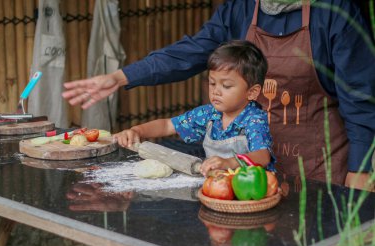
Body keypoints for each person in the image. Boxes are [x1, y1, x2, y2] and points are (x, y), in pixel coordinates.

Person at [62, 0, 375, 189]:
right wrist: (122, 76)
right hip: (244, 182)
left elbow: (360, 99)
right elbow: (191, 51)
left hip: (318, 166)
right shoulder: (241, 7)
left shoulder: (336, 10)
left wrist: (361, 170)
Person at [114, 41, 275, 175]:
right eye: (212, 83)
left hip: (251, 190)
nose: (216, 91)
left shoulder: (254, 119)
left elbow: (262, 156)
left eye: (226, 85)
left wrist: (229, 162)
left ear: (252, 92)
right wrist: (137, 131)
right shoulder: (208, 114)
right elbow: (168, 125)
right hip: (217, 188)